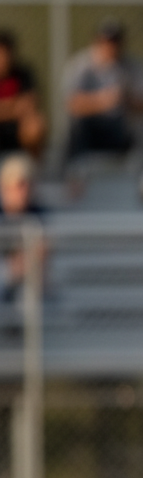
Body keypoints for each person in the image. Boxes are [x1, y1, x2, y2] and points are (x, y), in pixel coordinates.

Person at [60, 19, 143, 201]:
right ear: (97, 42)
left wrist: (127, 99)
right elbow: (72, 104)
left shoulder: (133, 66)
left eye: (115, 42)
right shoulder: (81, 66)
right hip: (92, 131)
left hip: (121, 129)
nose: (111, 48)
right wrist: (103, 101)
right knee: (75, 124)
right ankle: (74, 177)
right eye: (106, 42)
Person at [0, 153, 46, 302]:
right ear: (5, 186)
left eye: (29, 184)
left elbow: (43, 252)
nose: (25, 191)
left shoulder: (39, 215)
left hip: (32, 288)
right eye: (20, 184)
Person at [0, 30, 46, 158]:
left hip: (17, 131)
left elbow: (30, 103)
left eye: (6, 53)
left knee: (35, 124)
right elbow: (21, 105)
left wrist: (4, 108)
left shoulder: (23, 74)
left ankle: (33, 167)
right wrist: (15, 106)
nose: (3, 59)